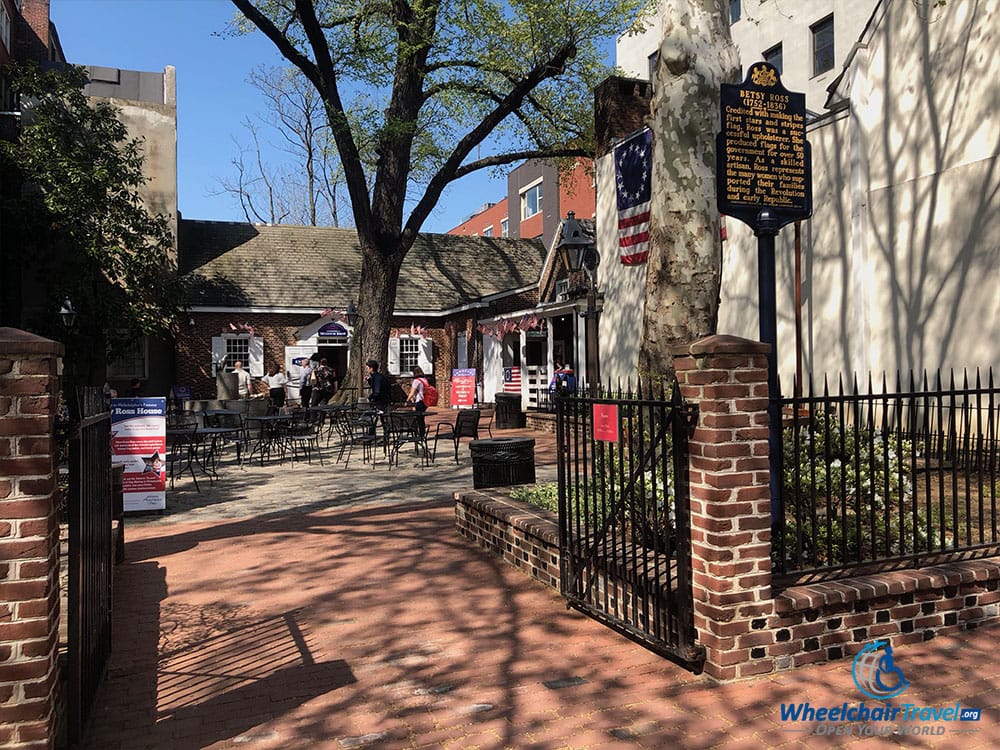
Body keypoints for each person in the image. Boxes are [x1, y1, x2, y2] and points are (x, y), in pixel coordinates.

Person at [406, 365, 429, 435]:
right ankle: (421, 433)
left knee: (418, 418)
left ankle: (419, 433)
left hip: (419, 401)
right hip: (425, 401)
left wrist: (407, 401)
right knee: (421, 418)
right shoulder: (425, 380)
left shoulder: (416, 381)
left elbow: (411, 393)